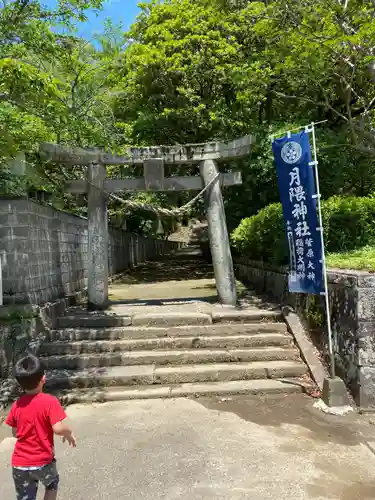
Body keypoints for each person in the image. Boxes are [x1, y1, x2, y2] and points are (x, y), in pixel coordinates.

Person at [5, 354, 76, 500]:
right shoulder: (49, 401)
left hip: (20, 464)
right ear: (43, 378)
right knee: (52, 484)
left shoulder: (17, 405)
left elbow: (15, 432)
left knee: (26, 497)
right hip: (43, 462)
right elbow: (58, 428)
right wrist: (68, 432)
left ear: (20, 384)